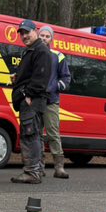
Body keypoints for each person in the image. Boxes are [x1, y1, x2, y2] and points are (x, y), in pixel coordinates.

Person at [10, 19, 52, 184]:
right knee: (35, 135)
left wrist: (27, 94)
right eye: (22, 33)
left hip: (32, 101)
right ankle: (38, 169)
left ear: (36, 30)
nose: (24, 36)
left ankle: (32, 172)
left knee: (30, 135)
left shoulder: (40, 51)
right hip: (32, 100)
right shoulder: (31, 50)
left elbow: (40, 78)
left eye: (27, 32)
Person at [38, 25, 71, 179]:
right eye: (42, 35)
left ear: (51, 38)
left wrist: (55, 87)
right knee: (35, 134)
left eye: (47, 36)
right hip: (35, 101)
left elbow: (66, 77)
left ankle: (59, 167)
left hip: (51, 101)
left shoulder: (58, 55)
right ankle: (38, 166)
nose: (44, 38)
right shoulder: (33, 53)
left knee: (53, 134)